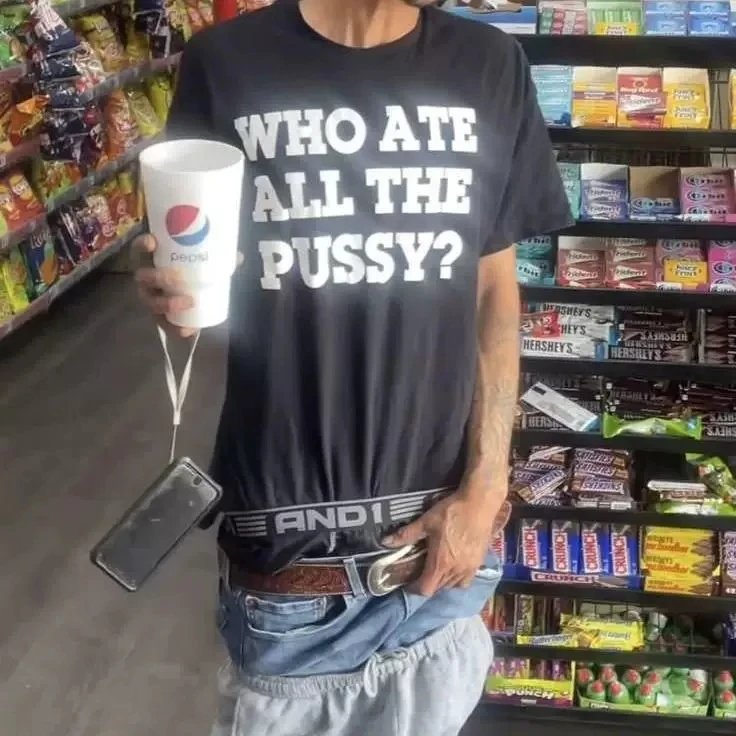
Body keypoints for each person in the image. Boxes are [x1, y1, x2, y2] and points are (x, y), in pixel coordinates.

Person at [134, 1, 573, 734]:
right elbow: (190, 256)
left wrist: (488, 483)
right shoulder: (228, 62)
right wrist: (172, 290)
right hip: (290, 573)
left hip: (440, 555)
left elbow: (494, 293)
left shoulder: (489, 64)